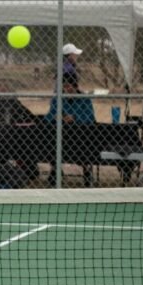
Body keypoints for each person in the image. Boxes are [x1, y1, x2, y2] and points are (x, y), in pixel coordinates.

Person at [46, 44, 97, 186]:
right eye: (65, 87)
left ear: (76, 86)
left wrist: (75, 118)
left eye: (70, 87)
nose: (67, 89)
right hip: (60, 134)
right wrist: (55, 118)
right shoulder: (58, 98)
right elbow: (48, 116)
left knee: (86, 138)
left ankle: (87, 171)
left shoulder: (84, 99)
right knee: (49, 135)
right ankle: (55, 170)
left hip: (79, 134)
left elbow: (90, 118)